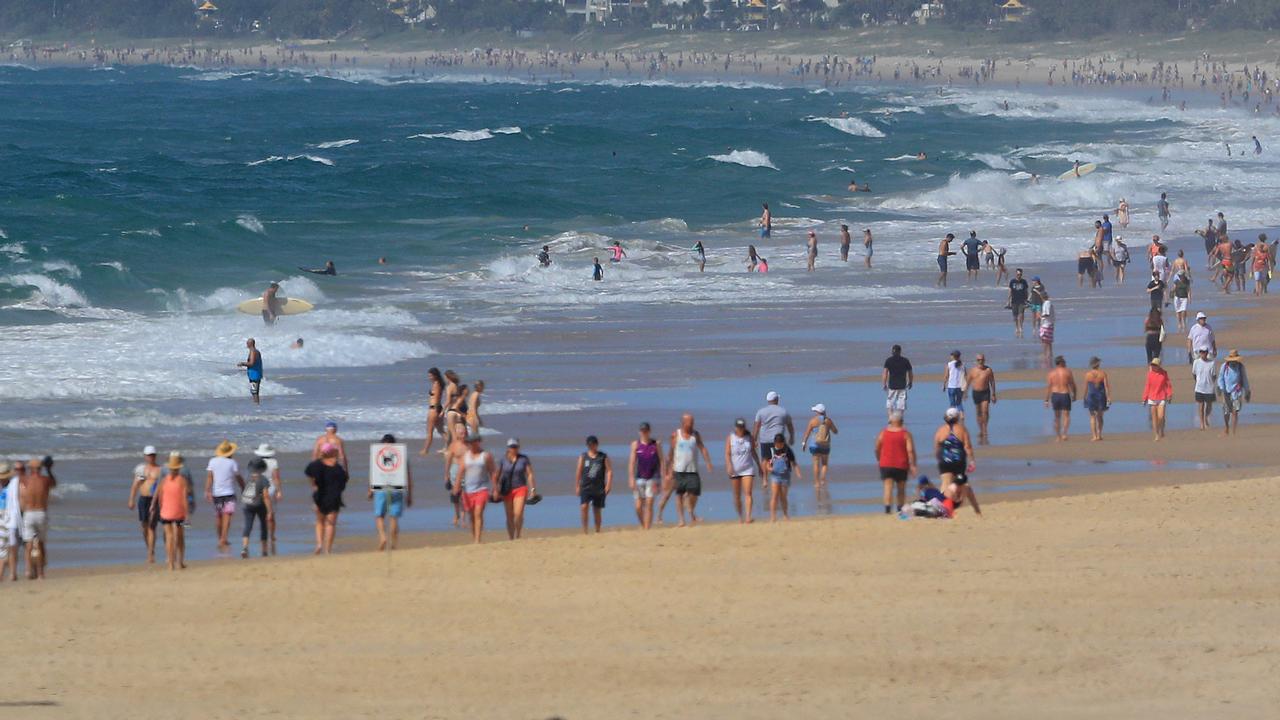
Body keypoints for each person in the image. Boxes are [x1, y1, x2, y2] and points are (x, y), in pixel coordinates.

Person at [666, 413, 713, 527]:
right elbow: (671, 452)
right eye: (689, 422)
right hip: (679, 470)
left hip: (693, 470)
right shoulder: (675, 435)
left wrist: (708, 462)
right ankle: (681, 520)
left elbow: (702, 448)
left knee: (695, 492)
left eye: (692, 422)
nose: (691, 424)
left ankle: (691, 511)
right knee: (679, 495)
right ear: (683, 423)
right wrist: (668, 470)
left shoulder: (695, 435)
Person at [369, 434, 413, 550]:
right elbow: (408, 476)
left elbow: (374, 473)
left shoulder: (378, 454)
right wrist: (409, 495)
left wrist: (370, 490)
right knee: (393, 517)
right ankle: (393, 544)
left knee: (379, 516)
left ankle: (383, 536)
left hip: (381, 487)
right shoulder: (401, 455)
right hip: (397, 488)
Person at [450, 433, 496, 544]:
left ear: (478, 442)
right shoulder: (465, 456)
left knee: (478, 513)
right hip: (468, 490)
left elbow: (492, 472)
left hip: (482, 489)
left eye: (472, 442)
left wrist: (496, 488)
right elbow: (460, 473)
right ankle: (474, 536)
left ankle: (477, 540)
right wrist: (456, 489)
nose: (470, 444)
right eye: (469, 442)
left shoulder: (485, 456)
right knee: (471, 516)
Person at [933, 408, 979, 516]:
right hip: (959, 461)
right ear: (957, 417)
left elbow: (936, 447)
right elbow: (967, 446)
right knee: (960, 485)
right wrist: (972, 460)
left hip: (944, 461)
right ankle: (972, 509)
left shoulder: (940, 430)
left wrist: (938, 458)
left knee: (945, 484)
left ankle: (942, 508)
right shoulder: (962, 429)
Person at [306, 443, 350, 553]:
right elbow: (343, 483)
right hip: (334, 497)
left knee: (320, 521)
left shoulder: (316, 465)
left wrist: (314, 485)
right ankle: (328, 549)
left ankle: (319, 544)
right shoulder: (338, 468)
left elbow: (309, 474)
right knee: (331, 523)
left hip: (319, 495)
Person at [18, 456, 55, 579]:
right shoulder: (45, 480)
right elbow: (54, 483)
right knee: (41, 544)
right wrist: (49, 469)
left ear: (31, 469)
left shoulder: (25, 480)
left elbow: (19, 478)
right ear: (40, 468)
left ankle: (28, 571)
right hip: (41, 513)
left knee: (28, 545)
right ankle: (40, 573)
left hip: (29, 513)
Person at [204, 440, 243, 554]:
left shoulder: (212, 461)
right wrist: (243, 487)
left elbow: (210, 477)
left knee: (218, 517)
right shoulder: (232, 463)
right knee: (227, 516)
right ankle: (223, 538)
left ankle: (220, 538)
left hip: (217, 494)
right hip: (229, 493)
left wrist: (207, 491)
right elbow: (238, 477)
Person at [127, 446, 164, 564]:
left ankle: (150, 555)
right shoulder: (142, 469)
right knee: (144, 526)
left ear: (155, 456)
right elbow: (136, 485)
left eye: (152, 455)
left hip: (155, 500)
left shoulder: (160, 470)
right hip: (143, 499)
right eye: (148, 455)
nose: (151, 457)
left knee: (152, 527)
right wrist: (131, 499)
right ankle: (150, 549)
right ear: (145, 456)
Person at [874, 412, 916, 514]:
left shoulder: (883, 433)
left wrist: (879, 458)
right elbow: (910, 450)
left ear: (891, 421)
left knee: (887, 487)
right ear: (901, 421)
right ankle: (899, 509)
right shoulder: (905, 434)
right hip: (901, 464)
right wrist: (913, 464)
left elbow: (877, 447)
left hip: (886, 463)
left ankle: (888, 510)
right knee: (901, 488)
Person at [154, 453, 190, 571]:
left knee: (169, 537)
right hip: (179, 514)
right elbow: (185, 499)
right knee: (180, 537)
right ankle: (180, 562)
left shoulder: (163, 480)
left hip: (166, 513)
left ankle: (170, 564)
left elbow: (159, 497)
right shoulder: (182, 481)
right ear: (178, 468)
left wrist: (160, 508)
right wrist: (187, 515)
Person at [497, 438, 535, 540]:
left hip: (520, 488)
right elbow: (497, 475)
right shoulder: (503, 460)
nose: (514, 449)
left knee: (518, 514)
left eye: (516, 447)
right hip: (507, 490)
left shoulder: (524, 459)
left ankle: (518, 533)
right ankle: (511, 537)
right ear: (508, 448)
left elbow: (530, 474)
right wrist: (496, 490)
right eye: (512, 447)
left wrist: (532, 490)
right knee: (509, 516)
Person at [724, 419, 760, 524]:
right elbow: (727, 453)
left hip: (747, 469)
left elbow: (753, 451)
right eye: (739, 427)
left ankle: (748, 517)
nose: (741, 429)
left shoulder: (749, 437)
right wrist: (729, 465)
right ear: (736, 428)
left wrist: (759, 465)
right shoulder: (730, 438)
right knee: (737, 496)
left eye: (742, 427)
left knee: (748, 493)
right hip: (735, 470)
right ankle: (740, 516)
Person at [574, 436, 612, 534]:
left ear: (597, 445)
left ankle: (597, 530)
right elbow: (578, 471)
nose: (591, 447)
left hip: (598, 487)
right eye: (589, 445)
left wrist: (608, 485)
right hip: (585, 487)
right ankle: (585, 531)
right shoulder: (583, 457)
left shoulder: (603, 456)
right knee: (584, 507)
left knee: (597, 510)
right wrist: (577, 486)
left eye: (593, 444)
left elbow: (609, 471)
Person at [629, 422, 663, 529]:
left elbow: (662, 461)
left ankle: (647, 528)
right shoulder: (635, 444)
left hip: (653, 478)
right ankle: (644, 525)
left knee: (649, 504)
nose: (644, 433)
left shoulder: (655, 444)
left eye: (646, 431)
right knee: (638, 507)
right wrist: (631, 478)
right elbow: (632, 463)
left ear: (649, 431)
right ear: (639, 432)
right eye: (642, 431)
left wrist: (663, 477)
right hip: (639, 478)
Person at [239, 458, 274, 559]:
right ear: (262, 468)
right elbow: (266, 496)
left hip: (247, 504)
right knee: (263, 526)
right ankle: (264, 550)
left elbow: (243, 488)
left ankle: (244, 547)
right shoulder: (263, 479)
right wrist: (270, 511)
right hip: (260, 505)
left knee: (248, 526)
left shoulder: (247, 477)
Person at [763, 433, 800, 522]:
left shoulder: (787, 450)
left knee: (783, 496)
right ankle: (773, 516)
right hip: (775, 476)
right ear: (775, 442)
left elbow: (793, 462)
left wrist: (798, 472)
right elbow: (766, 464)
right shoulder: (771, 450)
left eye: (781, 443)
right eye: (777, 443)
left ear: (783, 442)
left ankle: (785, 515)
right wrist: (768, 471)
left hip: (785, 476)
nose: (779, 445)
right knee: (774, 495)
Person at [253, 443, 282, 553]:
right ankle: (272, 535)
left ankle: (263, 535)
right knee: (271, 514)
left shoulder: (256, 462)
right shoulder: (274, 462)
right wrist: (279, 491)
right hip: (271, 490)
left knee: (261, 514)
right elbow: (276, 478)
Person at [800, 404, 838, 487]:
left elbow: (807, 433)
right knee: (824, 464)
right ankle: (822, 479)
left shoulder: (813, 421)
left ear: (817, 412)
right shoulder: (828, 420)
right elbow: (835, 431)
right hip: (825, 445)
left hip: (814, 445)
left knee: (816, 464)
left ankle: (817, 483)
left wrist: (804, 443)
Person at [1044, 356, 1077, 442]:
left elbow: (1049, 387)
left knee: (1057, 417)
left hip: (1055, 395)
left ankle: (1058, 436)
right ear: (1061, 363)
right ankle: (1064, 433)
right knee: (1066, 416)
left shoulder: (1051, 373)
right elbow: (1072, 384)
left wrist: (1046, 400)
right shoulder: (1067, 371)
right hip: (1065, 394)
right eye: (1064, 362)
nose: (1066, 363)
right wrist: (1074, 394)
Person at [1217, 350, 1250, 435]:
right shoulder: (1224, 366)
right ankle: (1227, 427)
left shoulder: (1240, 367)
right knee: (1226, 412)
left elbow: (1244, 379)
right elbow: (1220, 378)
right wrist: (1221, 388)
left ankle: (1234, 432)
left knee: (1235, 412)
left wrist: (1247, 391)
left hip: (1237, 392)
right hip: (1226, 392)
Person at [966, 354, 997, 445]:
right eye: (979, 360)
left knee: (985, 411)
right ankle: (981, 429)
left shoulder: (988, 370)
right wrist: (965, 393)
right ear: (976, 360)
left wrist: (994, 394)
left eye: (982, 360)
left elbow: (992, 381)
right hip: (976, 393)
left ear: (984, 360)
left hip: (985, 393)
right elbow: (968, 382)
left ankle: (985, 428)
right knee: (978, 412)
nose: (980, 361)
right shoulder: (973, 370)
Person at [1142, 358, 1174, 441]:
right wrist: (1144, 398)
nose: (1153, 366)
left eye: (1155, 365)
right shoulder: (1149, 374)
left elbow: (1168, 385)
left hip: (1161, 397)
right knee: (1154, 417)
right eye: (1152, 365)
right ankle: (1156, 434)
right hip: (1152, 398)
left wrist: (1169, 395)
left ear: (1159, 366)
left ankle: (1161, 429)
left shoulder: (1164, 373)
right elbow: (1147, 386)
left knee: (1161, 416)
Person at [1083, 357, 1112, 441]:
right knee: (1100, 416)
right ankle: (1099, 434)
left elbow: (1086, 388)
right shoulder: (1102, 374)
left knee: (1092, 416)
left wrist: (1084, 397)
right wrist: (1108, 397)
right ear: (1098, 364)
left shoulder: (1087, 374)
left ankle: (1094, 436)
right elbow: (1106, 387)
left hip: (1091, 396)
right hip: (1101, 396)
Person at [882, 345, 914, 419]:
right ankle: (900, 418)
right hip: (902, 385)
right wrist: (910, 382)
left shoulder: (888, 360)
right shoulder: (905, 360)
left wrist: (884, 383)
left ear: (892, 351)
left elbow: (885, 373)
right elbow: (910, 372)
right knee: (901, 402)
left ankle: (890, 417)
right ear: (900, 351)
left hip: (892, 385)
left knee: (890, 401)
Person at [0, 461, 19, 581]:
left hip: (8, 519)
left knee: (8, 549)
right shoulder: (11, 486)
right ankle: (10, 574)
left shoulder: (12, 487)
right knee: (6, 550)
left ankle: (11, 574)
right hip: (5, 519)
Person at [421, 367, 446, 456]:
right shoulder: (436, 384)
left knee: (429, 431)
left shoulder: (437, 384)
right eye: (429, 376)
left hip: (434, 408)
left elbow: (437, 398)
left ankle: (425, 450)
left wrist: (435, 410)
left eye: (431, 376)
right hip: (436, 408)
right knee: (440, 430)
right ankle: (450, 445)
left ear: (435, 376)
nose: (429, 377)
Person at [1191, 348, 1217, 430]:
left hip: (1209, 387)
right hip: (1199, 387)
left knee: (1209, 405)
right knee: (1201, 405)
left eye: (1204, 352)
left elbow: (1214, 375)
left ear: (1207, 353)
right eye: (1201, 352)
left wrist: (1211, 382)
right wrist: (1198, 381)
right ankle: (1202, 423)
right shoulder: (1196, 362)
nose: (1203, 354)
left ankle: (1206, 417)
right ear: (1200, 353)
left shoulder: (1212, 363)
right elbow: (1194, 374)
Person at [237, 338, 264, 405]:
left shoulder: (253, 351)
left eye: (247, 343)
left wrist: (242, 363)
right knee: (255, 391)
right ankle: (257, 404)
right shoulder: (257, 351)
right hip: (256, 373)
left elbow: (251, 363)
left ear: (250, 344)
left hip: (254, 375)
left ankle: (256, 405)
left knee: (254, 392)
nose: (246, 345)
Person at [1007, 268, 1029, 338]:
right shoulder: (1012, 281)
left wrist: (1027, 300)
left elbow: (1026, 291)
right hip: (1014, 300)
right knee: (1015, 316)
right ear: (1016, 274)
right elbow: (1010, 291)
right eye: (1018, 274)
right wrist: (1008, 300)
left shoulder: (1024, 282)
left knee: (1021, 314)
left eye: (1020, 274)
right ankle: (1016, 327)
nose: (1019, 275)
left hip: (1022, 300)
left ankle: (1021, 327)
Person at [1038, 289, 1055, 365]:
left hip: (1047, 324)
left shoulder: (1047, 303)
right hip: (1047, 324)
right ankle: (1049, 354)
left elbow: (1047, 314)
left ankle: (1046, 354)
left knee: (1045, 340)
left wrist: (1040, 316)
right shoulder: (1047, 303)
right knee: (1047, 341)